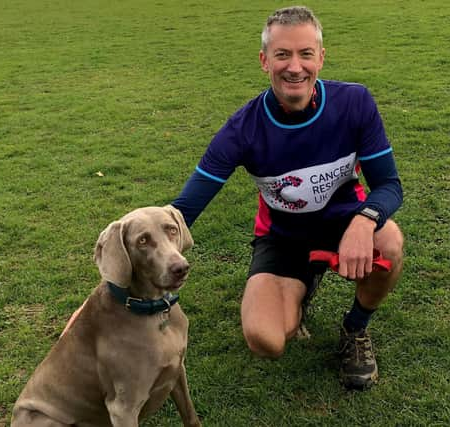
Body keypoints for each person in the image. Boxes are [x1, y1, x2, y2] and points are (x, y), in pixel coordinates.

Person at [171, 5, 404, 390]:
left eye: (305, 54)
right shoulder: (241, 130)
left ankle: (355, 330)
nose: (294, 67)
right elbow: (183, 212)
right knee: (266, 340)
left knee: (390, 241)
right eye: (282, 55)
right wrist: (114, 287)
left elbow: (389, 186)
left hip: (345, 223)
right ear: (265, 60)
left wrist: (365, 221)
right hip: (284, 238)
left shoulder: (354, 103)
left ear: (321, 58)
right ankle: (303, 284)